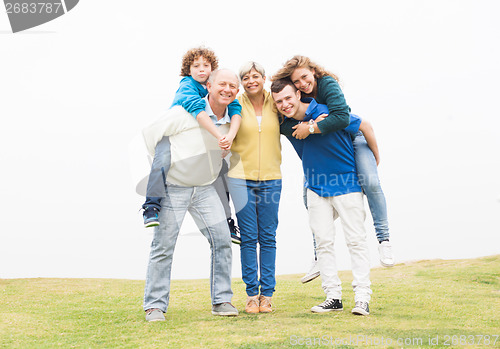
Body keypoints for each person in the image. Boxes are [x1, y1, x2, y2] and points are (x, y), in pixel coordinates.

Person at [272, 55, 394, 270]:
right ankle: (319, 255)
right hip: (326, 144)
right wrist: (310, 124)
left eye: (305, 77)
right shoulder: (295, 110)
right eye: (296, 81)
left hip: (353, 136)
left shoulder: (326, 84)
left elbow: (351, 121)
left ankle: (384, 239)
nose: (303, 83)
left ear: (313, 72)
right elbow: (281, 125)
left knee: (371, 182)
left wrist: (376, 156)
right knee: (308, 195)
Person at [141, 69, 241, 322]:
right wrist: (168, 159)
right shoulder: (183, 112)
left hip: (206, 188)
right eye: (222, 84)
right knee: (163, 246)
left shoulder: (232, 119)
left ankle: (221, 301)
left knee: (222, 242)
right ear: (208, 86)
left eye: (232, 86)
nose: (227, 89)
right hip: (175, 188)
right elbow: (150, 134)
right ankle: (154, 305)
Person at [271, 78, 372, 315]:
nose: (285, 104)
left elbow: (362, 125)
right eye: (279, 102)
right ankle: (333, 297)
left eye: (288, 98)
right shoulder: (287, 125)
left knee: (356, 241)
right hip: (315, 188)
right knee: (323, 243)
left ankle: (362, 297)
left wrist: (374, 163)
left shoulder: (330, 113)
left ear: (298, 94)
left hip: (346, 184)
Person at [141, 47, 242, 244]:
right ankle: (151, 204)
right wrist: (220, 139)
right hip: (172, 135)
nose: (201, 69)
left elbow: (235, 107)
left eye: (206, 65)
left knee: (220, 171)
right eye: (196, 66)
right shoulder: (187, 86)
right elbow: (197, 109)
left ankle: (227, 220)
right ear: (188, 70)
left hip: (201, 140)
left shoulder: (216, 86)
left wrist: (228, 136)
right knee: (162, 158)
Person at [226, 62, 282, 313]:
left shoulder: (276, 102)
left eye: (255, 76)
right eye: (245, 77)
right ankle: (251, 295)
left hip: (272, 178)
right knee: (249, 238)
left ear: (264, 78)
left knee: (268, 237)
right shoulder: (235, 103)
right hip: (240, 177)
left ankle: (266, 295)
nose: (251, 81)